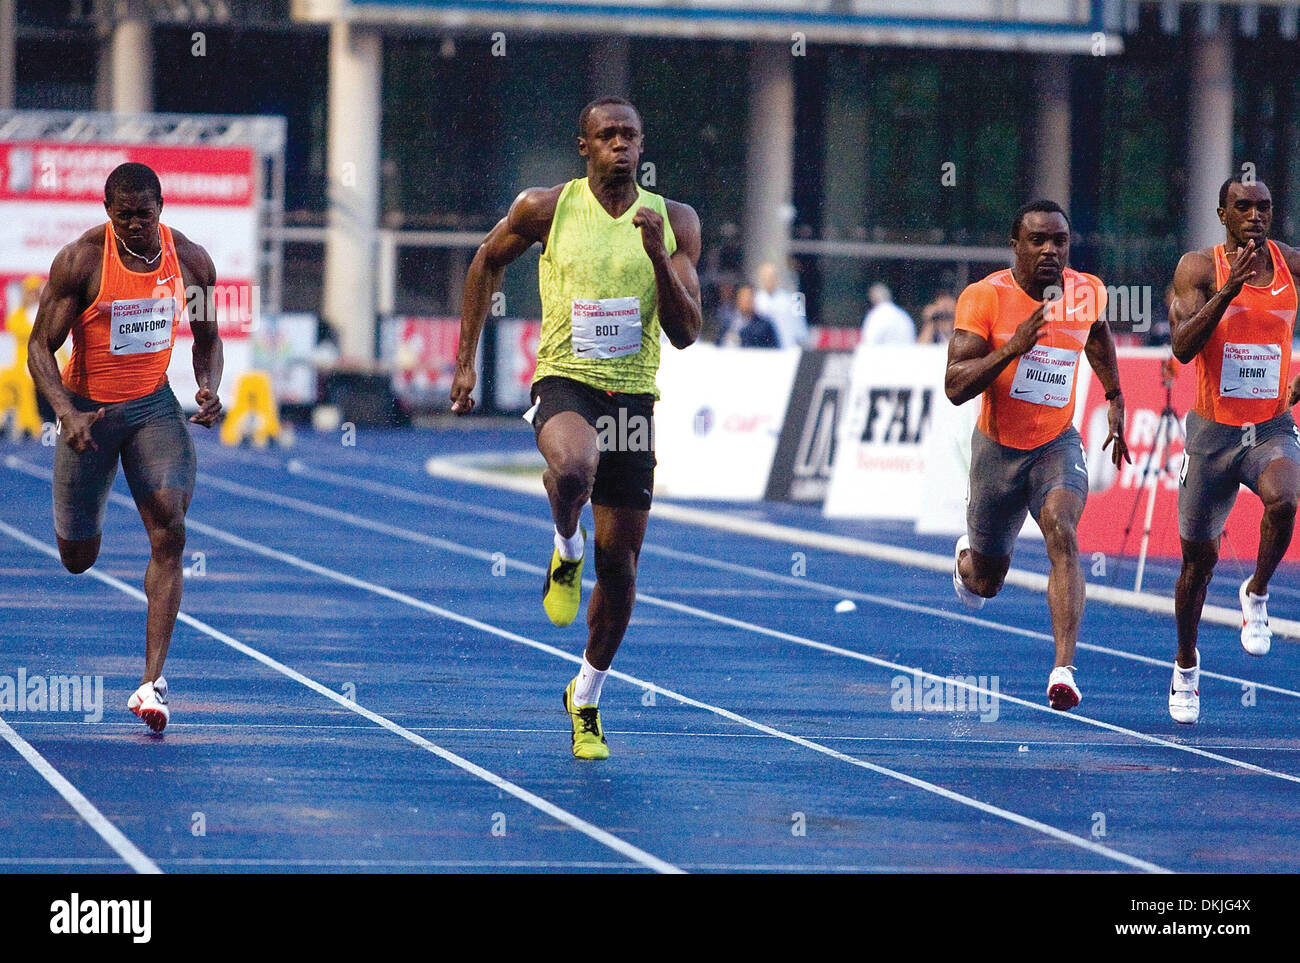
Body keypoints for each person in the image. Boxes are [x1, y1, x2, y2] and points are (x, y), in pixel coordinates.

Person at [450, 97, 702, 760]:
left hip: (634, 400)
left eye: (631, 134)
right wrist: (465, 362)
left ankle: (585, 696)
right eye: (607, 135)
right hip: (566, 381)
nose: (621, 144)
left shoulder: (673, 222)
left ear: (643, 145)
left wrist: (655, 257)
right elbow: (485, 261)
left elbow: (686, 334)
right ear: (583, 145)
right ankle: (566, 546)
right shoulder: (545, 206)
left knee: (620, 565)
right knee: (571, 467)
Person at [27, 162, 223, 733]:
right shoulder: (82, 261)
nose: (135, 224)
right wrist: (66, 411)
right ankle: (88, 511)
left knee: (170, 525)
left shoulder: (191, 261)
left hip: (152, 407)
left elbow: (208, 338)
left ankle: (151, 684)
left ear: (160, 209)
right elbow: (39, 348)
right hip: (88, 412)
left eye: (144, 214)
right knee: (77, 558)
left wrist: (208, 387)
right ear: (107, 211)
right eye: (124, 215)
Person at [946, 199, 1129, 711]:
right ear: (1015, 245)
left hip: (1056, 444)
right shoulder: (983, 298)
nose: (1051, 250)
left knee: (1062, 530)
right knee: (986, 582)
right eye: (1038, 241)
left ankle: (1064, 669)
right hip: (998, 453)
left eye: (1060, 242)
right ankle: (967, 560)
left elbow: (1097, 336)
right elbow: (954, 386)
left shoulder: (1087, 291)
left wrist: (1114, 396)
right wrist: (1010, 349)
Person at [1166, 174, 1300, 724]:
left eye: (1264, 207)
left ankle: (1258, 592)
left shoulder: (1292, 265)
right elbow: (1181, 346)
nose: (1255, 215)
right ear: (1221, 214)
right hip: (1213, 434)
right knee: (1198, 562)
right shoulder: (1198, 268)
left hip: (1269, 426)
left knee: (1287, 499)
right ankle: (1186, 666)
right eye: (1242, 206)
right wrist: (1228, 289)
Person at [755, 262, 807, 349]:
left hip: (787, 350)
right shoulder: (755, 300)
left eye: (771, 277)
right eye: (765, 277)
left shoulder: (793, 301)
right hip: (763, 352)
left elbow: (801, 332)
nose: (768, 280)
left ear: (777, 278)